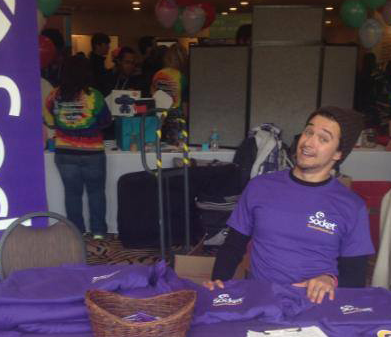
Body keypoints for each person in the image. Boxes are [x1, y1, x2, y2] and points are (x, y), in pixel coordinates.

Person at [204, 106, 374, 304]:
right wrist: (217, 284)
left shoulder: (352, 206)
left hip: (317, 305)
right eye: (308, 131)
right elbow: (233, 246)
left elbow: (355, 277)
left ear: (338, 153)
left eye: (323, 138)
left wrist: (329, 280)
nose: (309, 142)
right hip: (262, 300)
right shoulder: (260, 187)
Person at [43, 55, 112, 239]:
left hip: (64, 152)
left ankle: (77, 232)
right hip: (93, 154)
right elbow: (106, 121)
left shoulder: (53, 96)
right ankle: (98, 232)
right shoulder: (94, 96)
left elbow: (49, 121)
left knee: (72, 195)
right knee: (96, 193)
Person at [151, 43, 189, 144]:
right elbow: (185, 105)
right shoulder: (183, 77)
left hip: (158, 118)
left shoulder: (158, 74)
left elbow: (153, 95)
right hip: (176, 118)